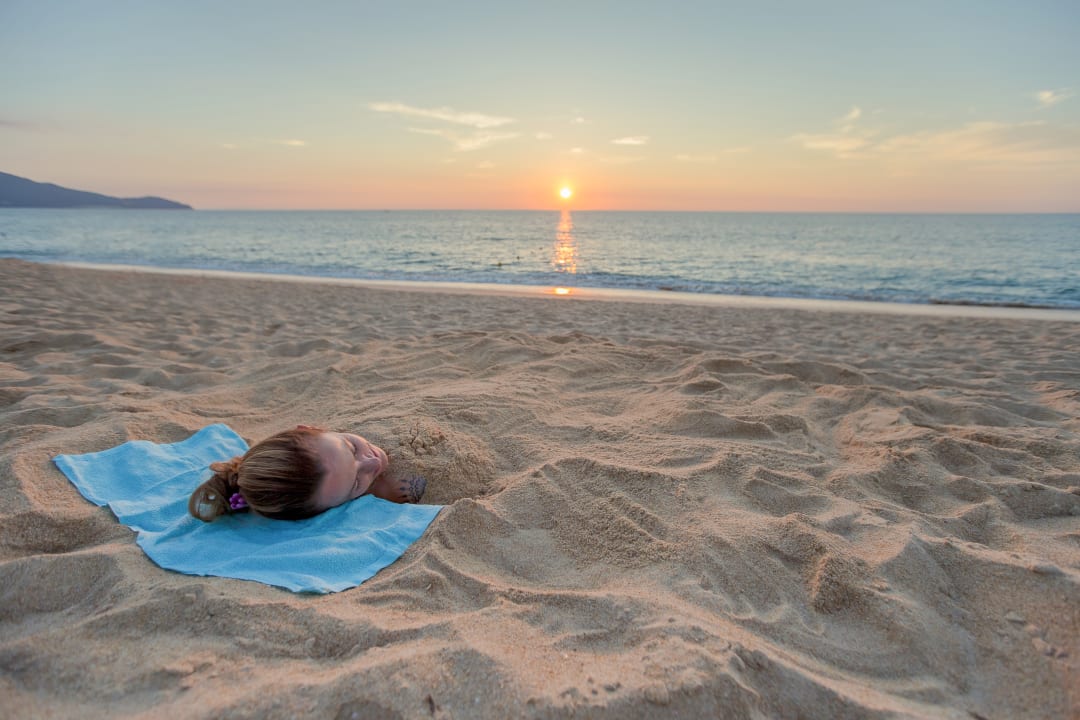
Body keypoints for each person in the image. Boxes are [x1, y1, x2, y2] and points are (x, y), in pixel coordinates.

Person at [188, 425, 426, 522]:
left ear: (309, 428)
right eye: (356, 483)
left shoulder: (317, 455)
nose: (372, 463)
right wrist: (379, 489)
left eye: (351, 448)